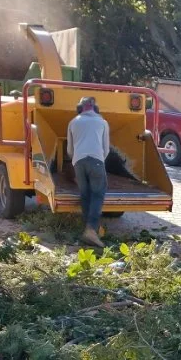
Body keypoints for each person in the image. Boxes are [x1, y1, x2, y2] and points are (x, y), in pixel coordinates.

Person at [66, 96, 110, 247]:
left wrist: (77, 160)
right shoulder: (102, 122)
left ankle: (86, 231)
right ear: (95, 109)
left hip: (78, 162)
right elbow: (106, 149)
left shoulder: (73, 122)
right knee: (97, 194)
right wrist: (99, 161)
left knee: (85, 195)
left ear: (79, 108)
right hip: (97, 161)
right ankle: (91, 230)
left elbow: (69, 150)